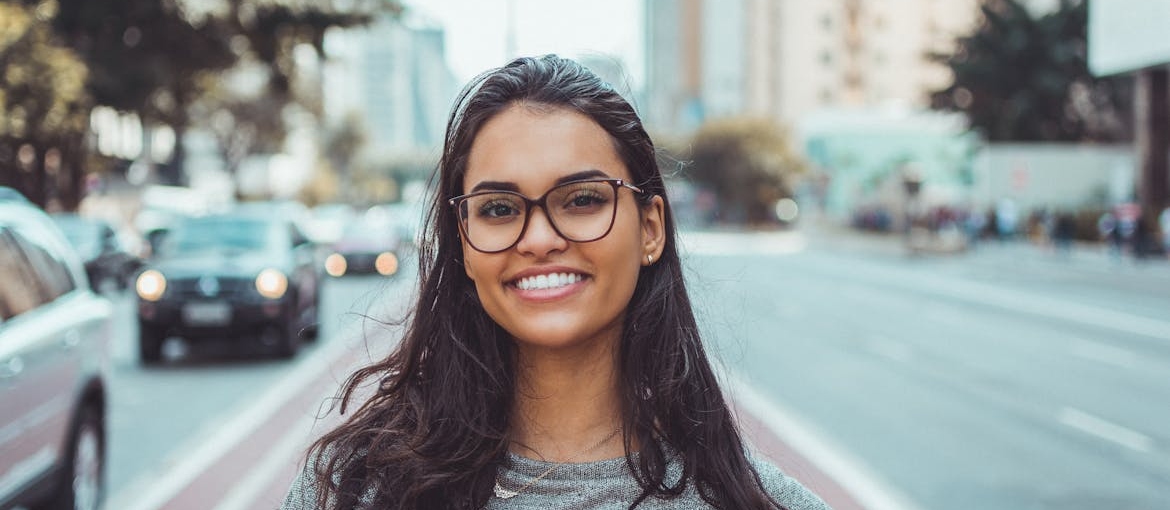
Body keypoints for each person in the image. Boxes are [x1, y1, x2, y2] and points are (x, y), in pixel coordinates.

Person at [281, 55, 831, 510]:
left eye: (583, 199)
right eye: (498, 208)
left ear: (651, 228)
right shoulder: (347, 491)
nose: (539, 238)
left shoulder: (765, 503)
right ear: (465, 243)